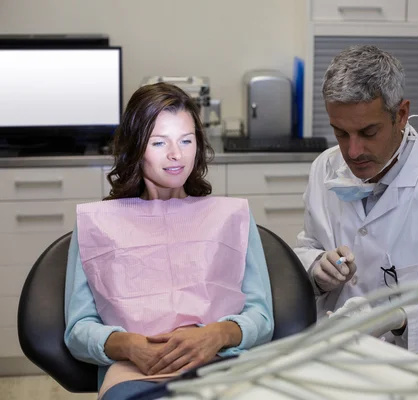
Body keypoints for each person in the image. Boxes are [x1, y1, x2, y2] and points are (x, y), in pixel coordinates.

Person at [64, 83, 274, 400]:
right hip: (135, 373)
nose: (176, 154)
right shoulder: (98, 225)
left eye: (186, 141)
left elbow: (261, 316)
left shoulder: (230, 218)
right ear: (135, 147)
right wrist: (128, 345)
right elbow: (78, 329)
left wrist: (217, 334)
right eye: (159, 142)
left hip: (222, 366)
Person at [294, 45, 418, 353]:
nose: (352, 152)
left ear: (401, 115)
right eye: (340, 133)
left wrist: (400, 319)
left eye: (368, 132)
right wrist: (317, 270)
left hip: (405, 369)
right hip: (326, 351)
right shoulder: (324, 168)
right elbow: (308, 245)